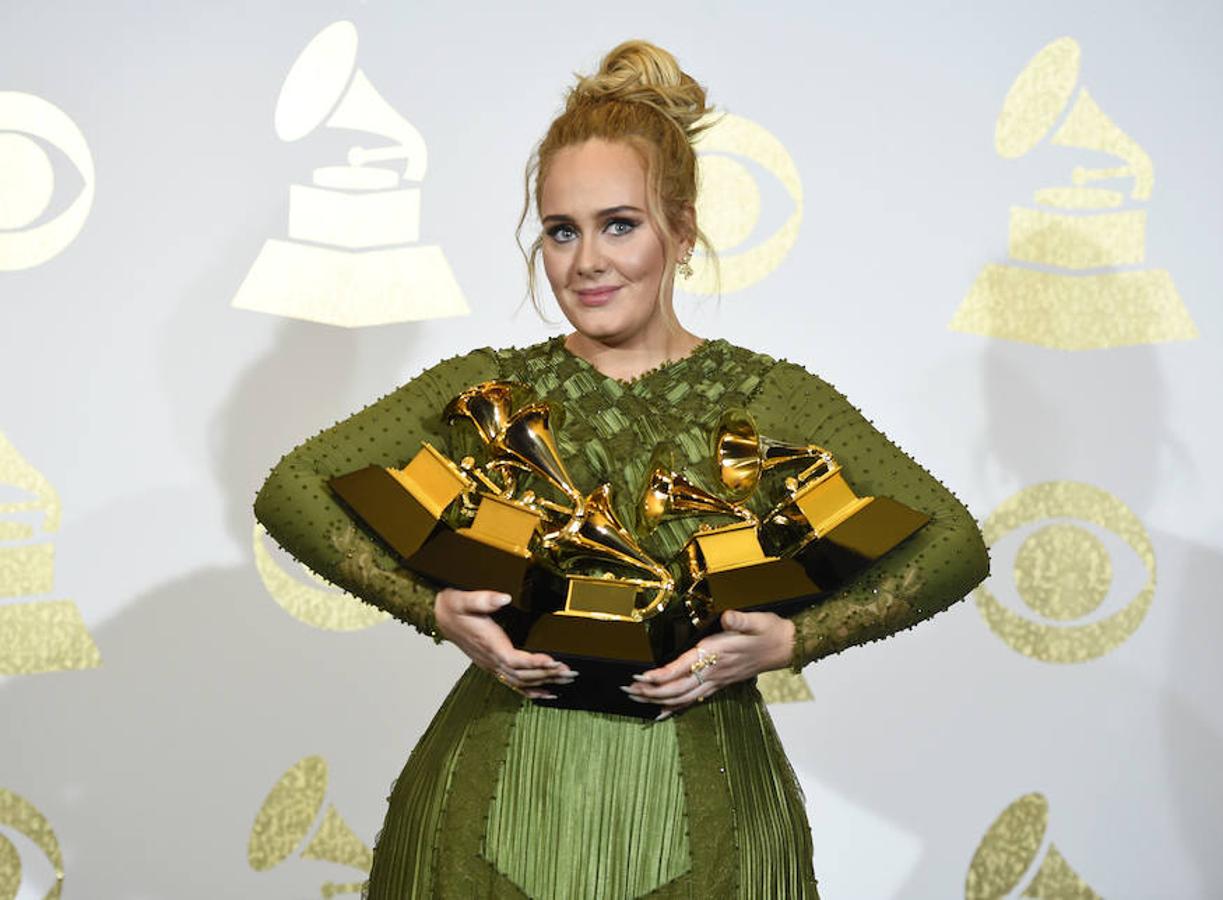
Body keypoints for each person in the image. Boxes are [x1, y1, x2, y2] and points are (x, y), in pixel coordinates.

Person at [253, 39, 990, 899]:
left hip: (713, 828)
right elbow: (292, 488)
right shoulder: (487, 387)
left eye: (619, 225)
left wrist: (796, 640)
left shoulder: (772, 396)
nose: (587, 262)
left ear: (682, 233)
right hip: (480, 818)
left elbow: (954, 542)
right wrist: (435, 610)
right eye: (562, 232)